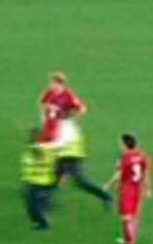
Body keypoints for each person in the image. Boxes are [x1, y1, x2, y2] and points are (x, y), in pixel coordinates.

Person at [38, 74, 112, 207]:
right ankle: (44, 203)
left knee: (80, 181)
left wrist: (72, 117)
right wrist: (45, 118)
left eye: (54, 84)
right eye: (51, 84)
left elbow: (82, 109)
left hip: (69, 151)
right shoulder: (49, 94)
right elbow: (44, 104)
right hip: (55, 137)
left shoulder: (68, 97)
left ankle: (105, 196)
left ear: (61, 84)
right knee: (53, 176)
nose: (52, 86)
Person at [104, 134, 153, 244]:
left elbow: (120, 175)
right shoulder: (143, 156)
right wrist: (148, 189)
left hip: (128, 190)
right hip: (138, 189)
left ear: (125, 145)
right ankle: (130, 240)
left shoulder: (125, 158)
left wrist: (109, 185)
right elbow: (146, 174)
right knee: (135, 216)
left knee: (126, 217)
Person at [21, 128, 59, 230]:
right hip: (41, 181)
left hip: (38, 182)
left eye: (33, 135)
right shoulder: (47, 150)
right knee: (33, 204)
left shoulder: (37, 149)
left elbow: (38, 153)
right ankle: (42, 221)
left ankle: (45, 223)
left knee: (34, 206)